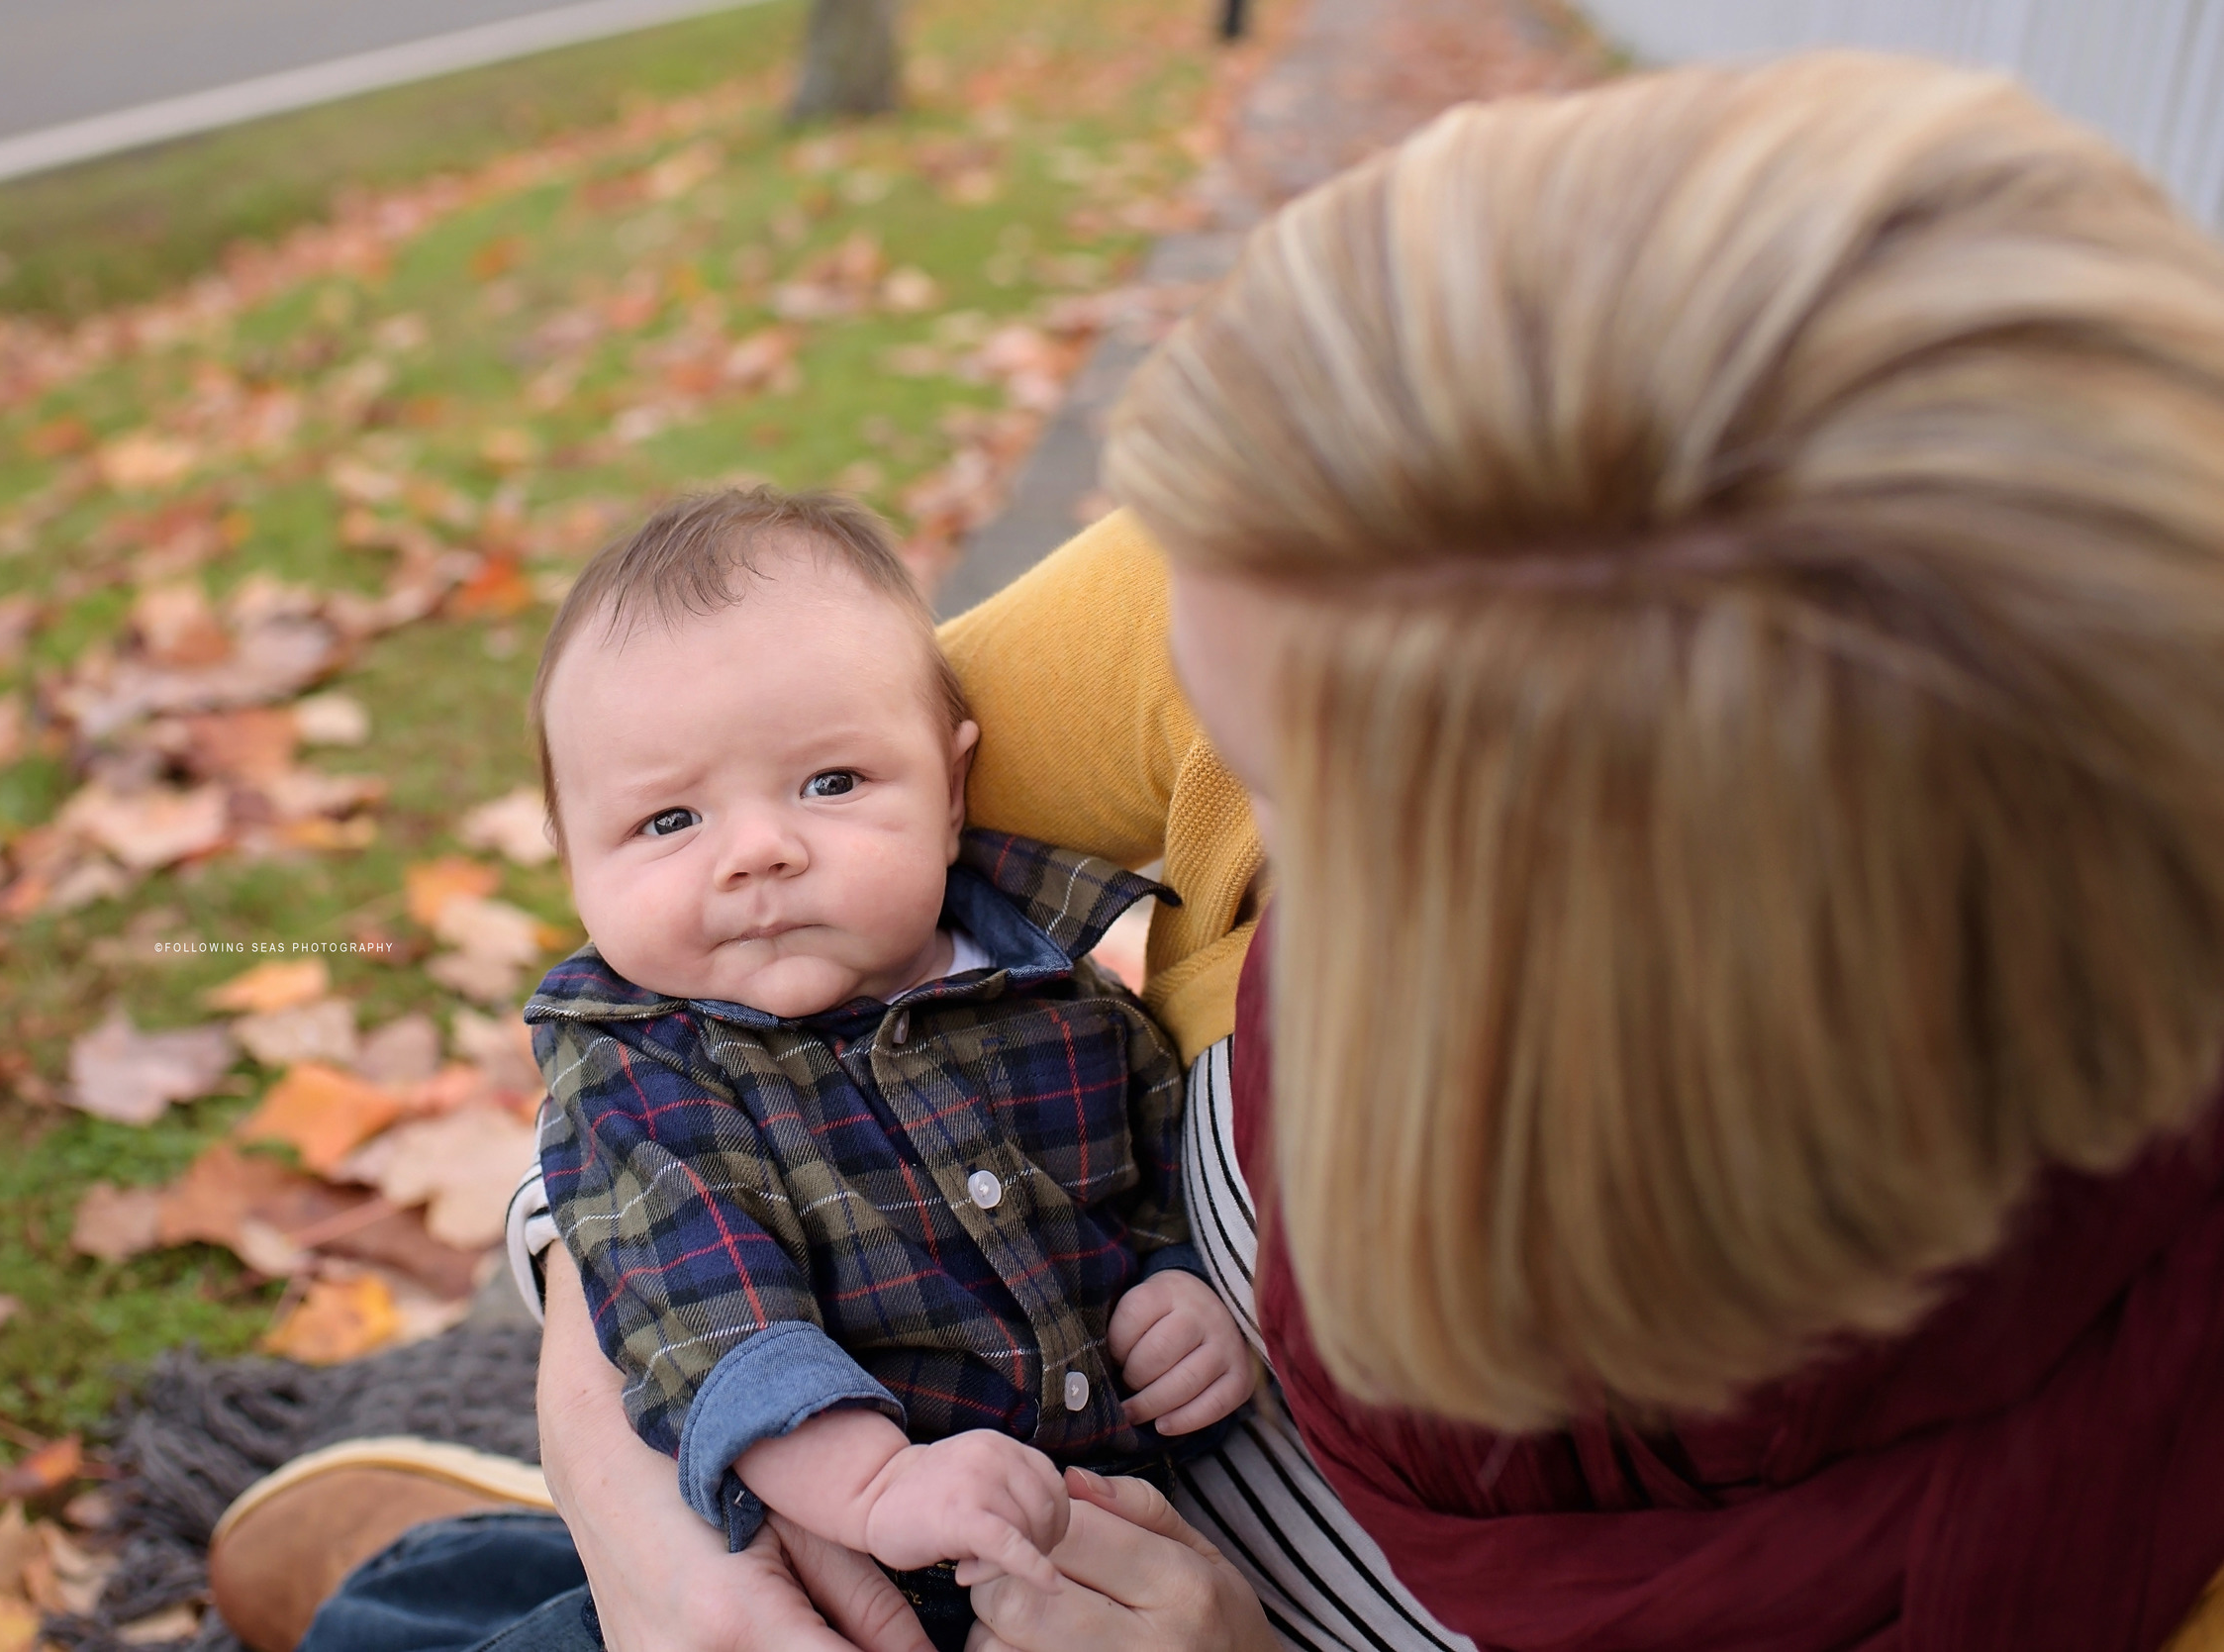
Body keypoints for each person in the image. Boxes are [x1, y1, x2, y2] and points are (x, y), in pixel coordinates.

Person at [212, 49, 2224, 1652]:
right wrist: (644, 1499)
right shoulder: (1346, 560)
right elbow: (687, 1007)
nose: (1243, 833)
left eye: (1317, 811)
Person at [525, 487, 1252, 1647]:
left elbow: (1151, 1151)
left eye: (831, 784)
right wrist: (871, 1488)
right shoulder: (647, 1072)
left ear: (953, 789)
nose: (759, 850)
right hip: (838, 1569)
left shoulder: (1049, 978)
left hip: (1120, 1556)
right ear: (570, 859)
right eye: (669, 821)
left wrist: (1178, 1285)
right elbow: (711, 1315)